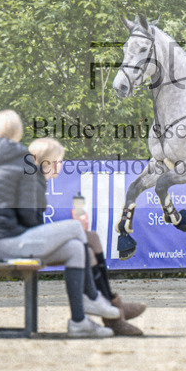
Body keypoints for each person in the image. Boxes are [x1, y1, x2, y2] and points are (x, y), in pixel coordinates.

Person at [0, 110, 118, 338]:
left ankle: (79, 322)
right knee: (76, 228)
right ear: (17, 134)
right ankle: (93, 298)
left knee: (76, 249)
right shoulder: (21, 159)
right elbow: (28, 216)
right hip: (5, 243)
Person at [30, 138, 147, 336]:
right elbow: (31, 227)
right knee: (82, 241)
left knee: (90, 237)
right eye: (59, 160)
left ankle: (111, 303)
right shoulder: (33, 183)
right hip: (28, 243)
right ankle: (112, 311)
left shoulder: (36, 181)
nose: (62, 164)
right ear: (48, 162)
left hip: (32, 240)